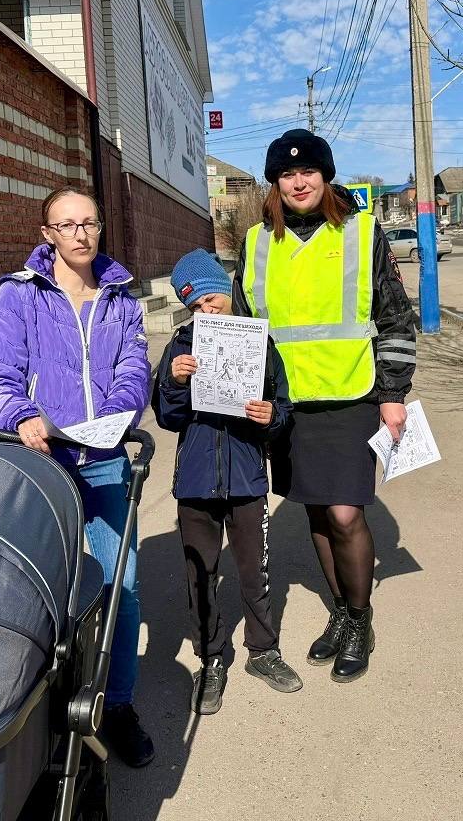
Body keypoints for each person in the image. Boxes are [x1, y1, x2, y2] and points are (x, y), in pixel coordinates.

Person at [0, 188, 155, 767]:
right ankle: (28, 710)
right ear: (48, 231)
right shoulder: (21, 296)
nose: (80, 234)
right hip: (43, 462)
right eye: (66, 224)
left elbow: (133, 367)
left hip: (101, 460)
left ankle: (117, 707)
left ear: (100, 229)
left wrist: (116, 417)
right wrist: (22, 414)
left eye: (89, 224)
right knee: (39, 590)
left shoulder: (121, 298)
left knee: (119, 587)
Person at [233, 128, 417, 683]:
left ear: (325, 175)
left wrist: (393, 394)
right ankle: (340, 613)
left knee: (344, 513)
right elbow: (245, 327)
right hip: (287, 408)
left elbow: (394, 317)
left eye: (308, 171)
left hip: (350, 394)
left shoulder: (363, 232)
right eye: (287, 174)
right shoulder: (257, 242)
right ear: (275, 184)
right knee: (315, 510)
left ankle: (360, 620)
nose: (298, 180)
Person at [151, 248, 302, 714]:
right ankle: (211, 658)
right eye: (195, 305)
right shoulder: (180, 346)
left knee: (254, 570)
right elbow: (168, 418)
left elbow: (284, 406)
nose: (206, 310)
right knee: (201, 575)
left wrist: (270, 416)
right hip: (195, 481)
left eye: (211, 299)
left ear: (227, 291)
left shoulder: (260, 342)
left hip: (246, 477)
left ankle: (263, 650)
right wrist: (174, 382)